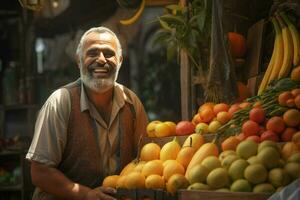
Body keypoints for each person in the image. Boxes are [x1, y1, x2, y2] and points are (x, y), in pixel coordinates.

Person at [26, 26, 149, 200]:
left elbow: (146, 159)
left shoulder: (132, 103)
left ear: (120, 60)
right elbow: (40, 172)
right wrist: (86, 195)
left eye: (108, 53)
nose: (101, 60)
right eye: (92, 53)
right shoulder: (61, 102)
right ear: (78, 61)